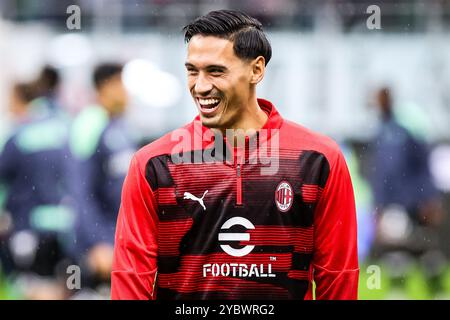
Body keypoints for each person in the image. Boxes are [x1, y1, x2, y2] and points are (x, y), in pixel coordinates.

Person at [111, 10, 358, 300]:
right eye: (192, 70)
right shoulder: (153, 164)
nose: (200, 86)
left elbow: (338, 278)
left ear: (257, 70)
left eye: (216, 71)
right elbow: (130, 280)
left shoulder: (318, 159)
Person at [68, 63, 136, 290]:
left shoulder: (121, 125)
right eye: (121, 83)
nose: (127, 91)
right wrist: (97, 242)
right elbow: (79, 190)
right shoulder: (89, 124)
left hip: (121, 240)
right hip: (101, 246)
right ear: (105, 87)